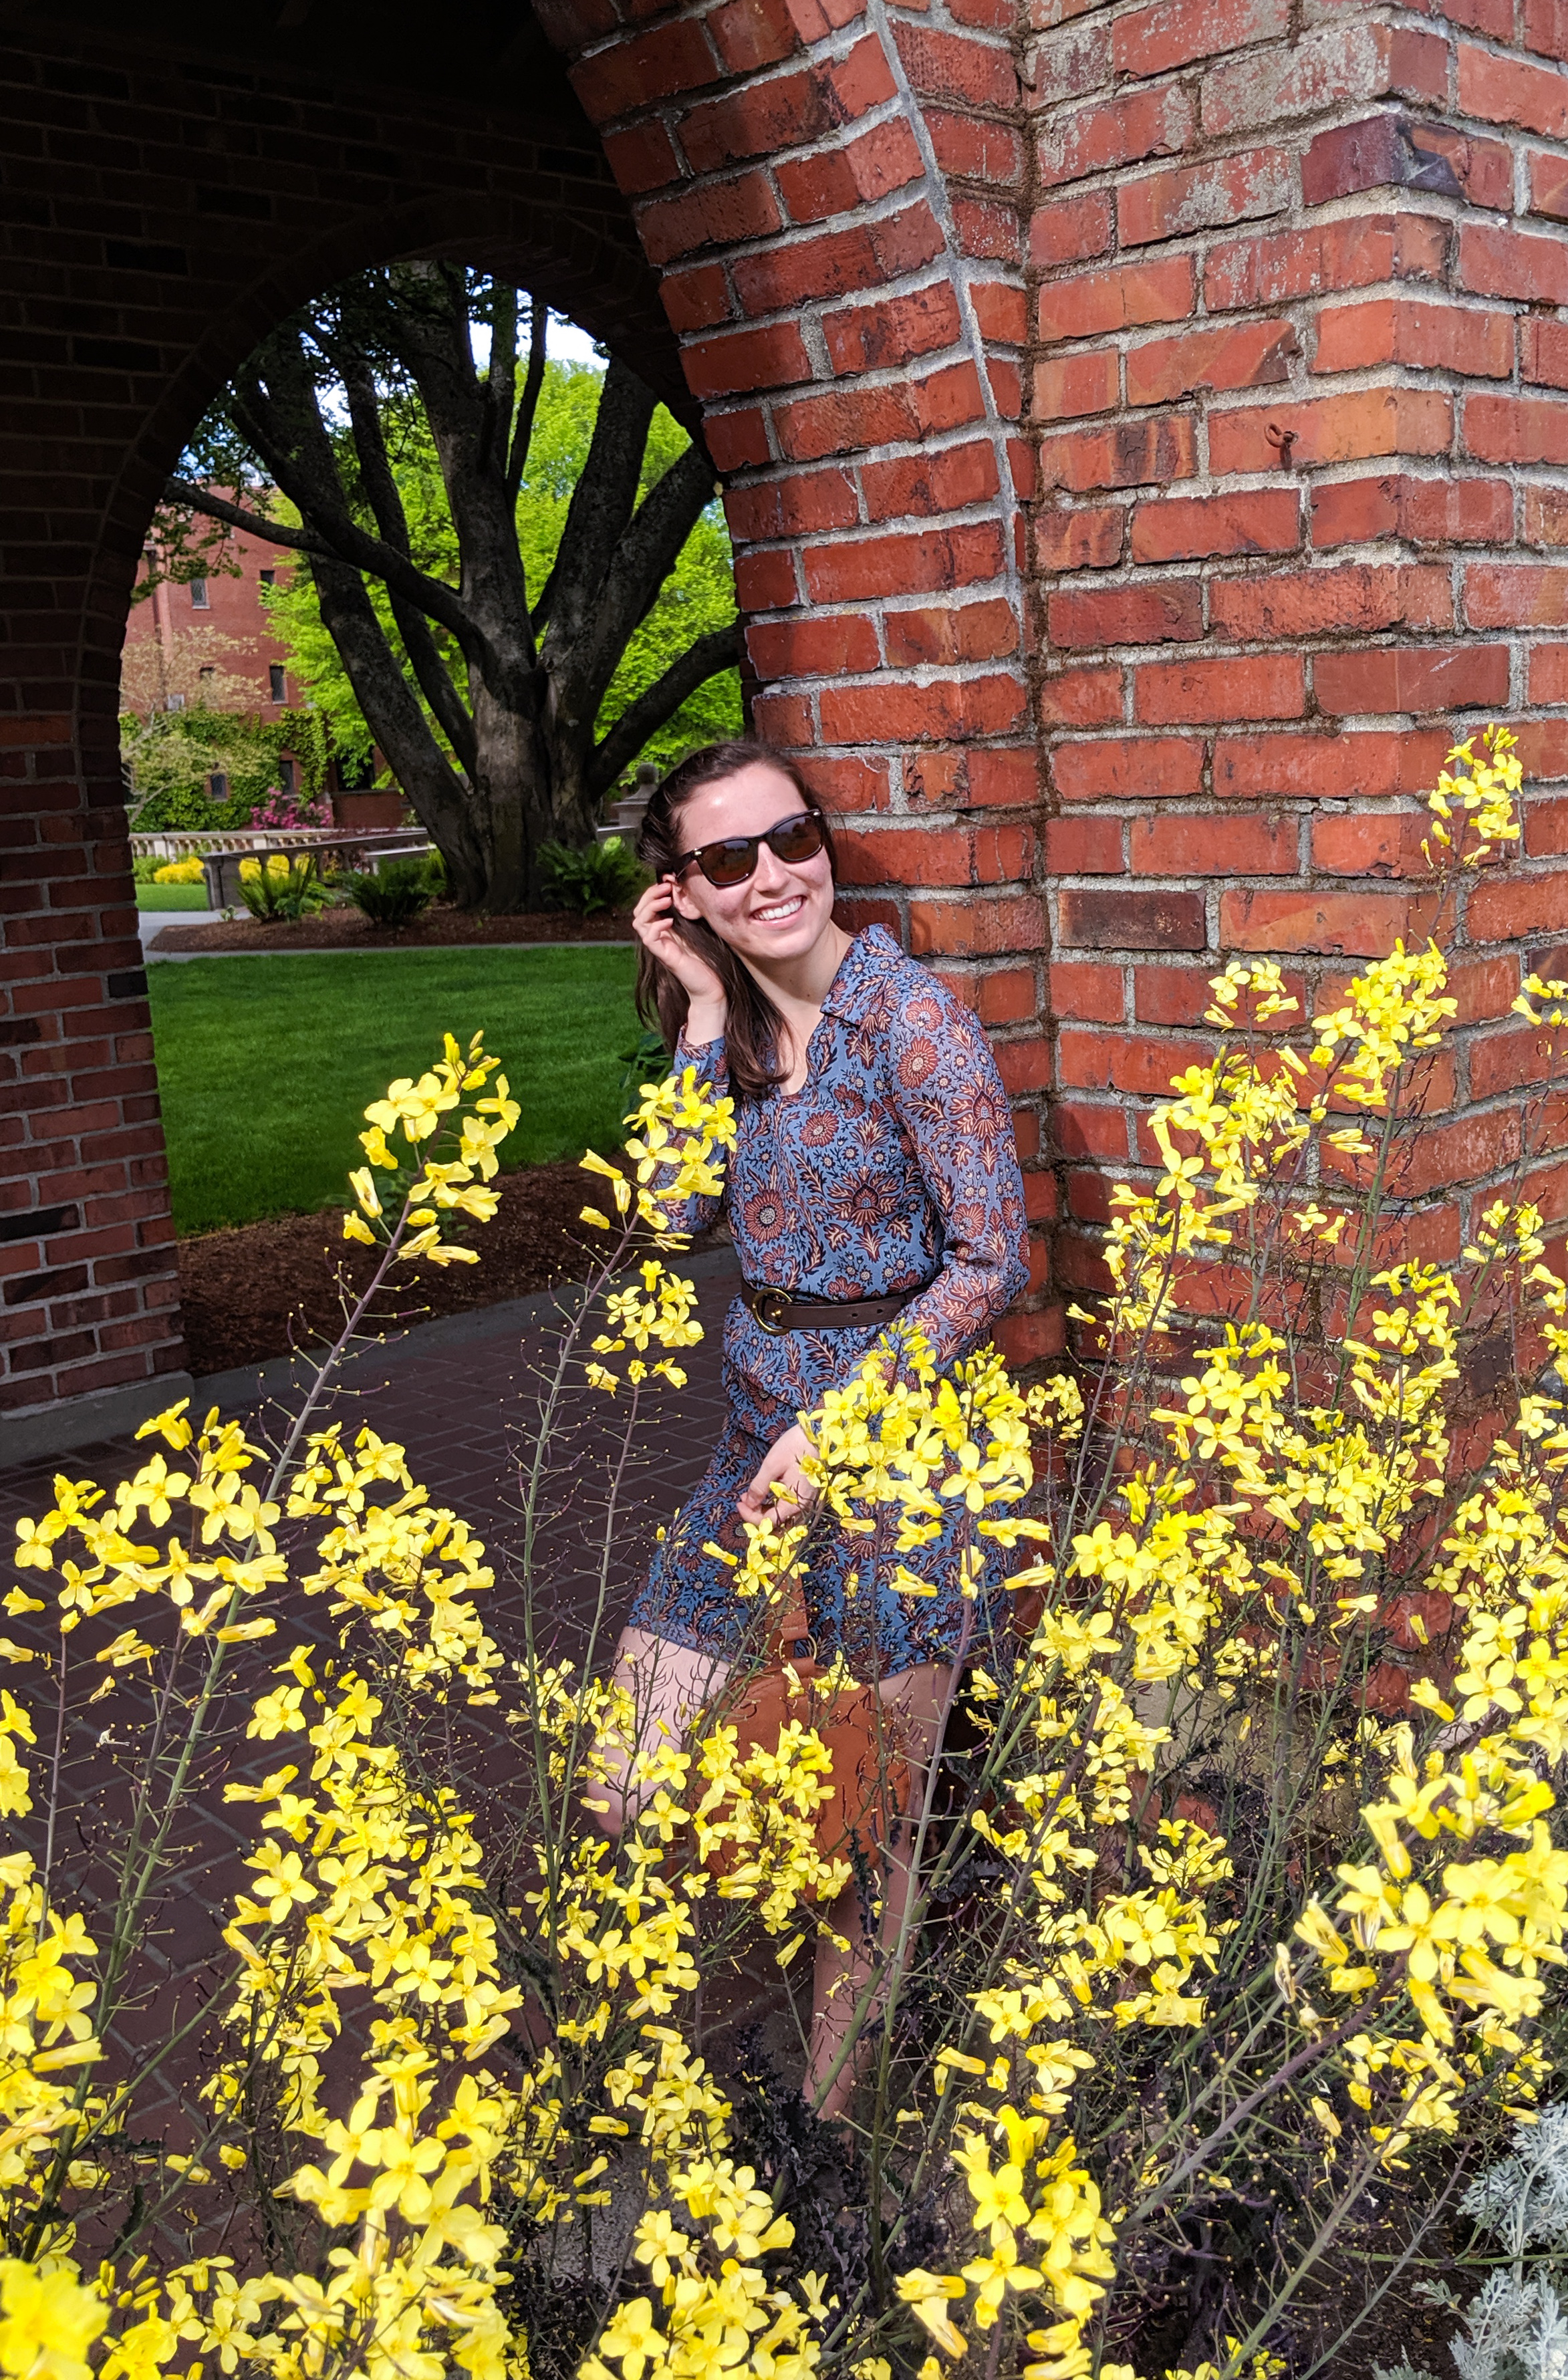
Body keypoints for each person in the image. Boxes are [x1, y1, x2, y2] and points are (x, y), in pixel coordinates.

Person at [586, 735, 1029, 2117]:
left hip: (904, 1460)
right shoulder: (733, 1038)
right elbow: (667, 1218)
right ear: (687, 894)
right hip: (751, 1453)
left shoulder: (912, 1019)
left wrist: (837, 1430)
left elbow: (988, 1258)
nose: (773, 872)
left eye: (792, 838)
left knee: (860, 1830)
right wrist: (702, 1017)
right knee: (625, 1773)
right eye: (729, 858)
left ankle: (830, 2142)